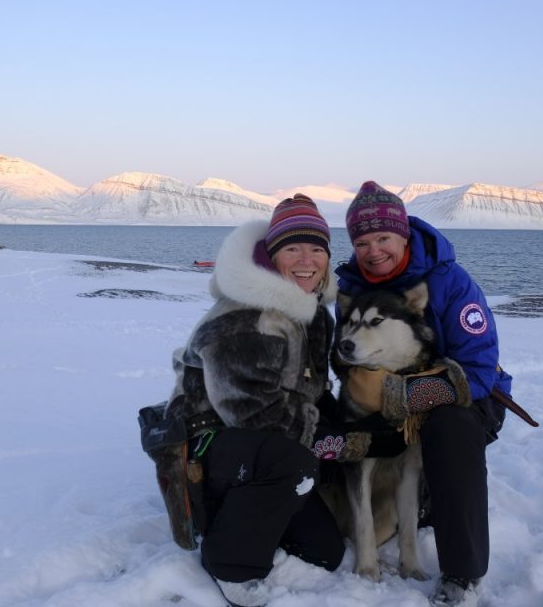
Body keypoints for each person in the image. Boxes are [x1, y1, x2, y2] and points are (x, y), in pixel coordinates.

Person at [167, 195, 405, 607]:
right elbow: (253, 413)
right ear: (271, 255)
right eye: (292, 248)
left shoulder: (314, 314)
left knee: (324, 553)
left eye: (317, 248)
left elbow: (313, 393)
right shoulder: (244, 316)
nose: (306, 259)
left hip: (263, 454)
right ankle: (230, 564)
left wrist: (357, 425)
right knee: (291, 460)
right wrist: (347, 443)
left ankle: (252, 515)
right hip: (207, 448)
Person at [334, 181, 512, 607]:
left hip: (468, 395)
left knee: (449, 430)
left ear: (404, 235)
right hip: (384, 396)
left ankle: (462, 573)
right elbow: (344, 357)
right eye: (362, 242)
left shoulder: (450, 282)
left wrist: (410, 395)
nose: (373, 250)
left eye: (383, 238)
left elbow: (480, 367)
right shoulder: (354, 287)